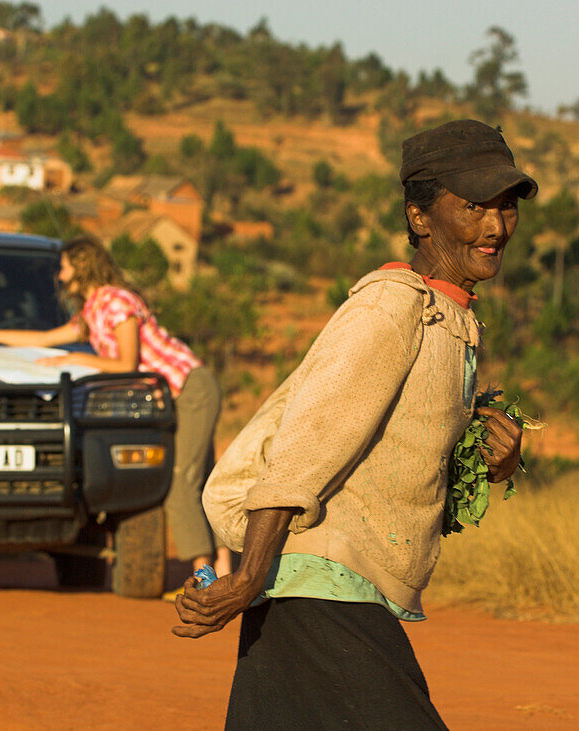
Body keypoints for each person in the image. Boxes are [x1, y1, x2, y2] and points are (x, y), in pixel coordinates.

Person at [173, 120, 536, 728]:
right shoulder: (391, 308)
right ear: (421, 218)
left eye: (505, 208)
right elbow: (301, 451)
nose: (496, 227)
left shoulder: (448, 316)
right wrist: (248, 578)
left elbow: (400, 453)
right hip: (319, 590)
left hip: (326, 588)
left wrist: (486, 458)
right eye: (473, 206)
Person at [0, 236, 230, 579]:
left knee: (182, 482)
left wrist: (77, 357)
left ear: (82, 266)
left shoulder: (114, 301)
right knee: (199, 482)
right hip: (176, 393)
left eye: (65, 266)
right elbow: (44, 338)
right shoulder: (93, 309)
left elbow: (126, 363)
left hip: (190, 389)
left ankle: (205, 574)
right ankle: (224, 570)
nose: (61, 275)